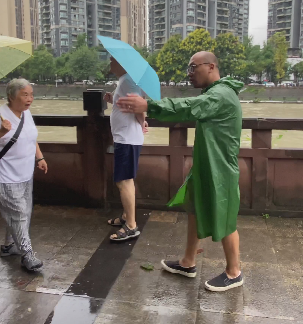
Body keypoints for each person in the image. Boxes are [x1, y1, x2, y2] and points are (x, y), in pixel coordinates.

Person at [116, 51, 244, 292]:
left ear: (211, 67)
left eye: (193, 68)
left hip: (221, 169)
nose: (189, 74)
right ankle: (188, 262)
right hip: (206, 165)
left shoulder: (221, 94)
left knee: (225, 217)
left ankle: (234, 272)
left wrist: (149, 106)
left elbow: (189, 107)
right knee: (195, 209)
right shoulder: (215, 93)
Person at [0, 78, 48, 271]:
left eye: (31, 94)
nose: (30, 99)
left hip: (26, 174)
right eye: (25, 94)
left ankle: (9, 246)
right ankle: (28, 255)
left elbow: (31, 138)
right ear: (11, 96)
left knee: (23, 212)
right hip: (6, 176)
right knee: (18, 215)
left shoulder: (26, 114)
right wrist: (1, 131)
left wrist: (39, 158)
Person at [103, 57, 148, 242]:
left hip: (128, 138)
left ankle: (131, 225)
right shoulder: (125, 80)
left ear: (123, 63)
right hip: (125, 137)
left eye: (113, 60)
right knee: (124, 179)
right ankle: (125, 215)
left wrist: (142, 122)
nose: (110, 63)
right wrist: (112, 99)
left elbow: (137, 105)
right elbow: (126, 104)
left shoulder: (128, 79)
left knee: (124, 181)